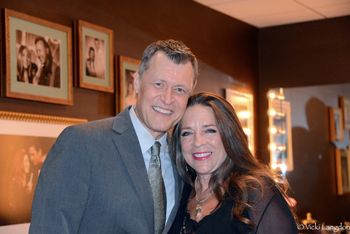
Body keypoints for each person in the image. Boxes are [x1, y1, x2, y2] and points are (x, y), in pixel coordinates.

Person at [29, 39, 198, 234]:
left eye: (179, 90)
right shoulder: (82, 143)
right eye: (159, 84)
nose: (168, 98)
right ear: (136, 82)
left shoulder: (183, 158)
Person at [169, 92, 298, 234]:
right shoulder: (179, 191)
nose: (198, 142)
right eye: (187, 133)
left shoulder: (257, 194)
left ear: (229, 135)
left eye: (210, 131)